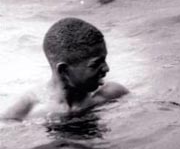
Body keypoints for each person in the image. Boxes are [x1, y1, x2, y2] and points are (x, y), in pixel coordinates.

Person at [0, 18, 129, 121]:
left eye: (105, 60)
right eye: (95, 64)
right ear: (64, 71)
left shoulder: (112, 94)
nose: (107, 68)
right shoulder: (23, 111)